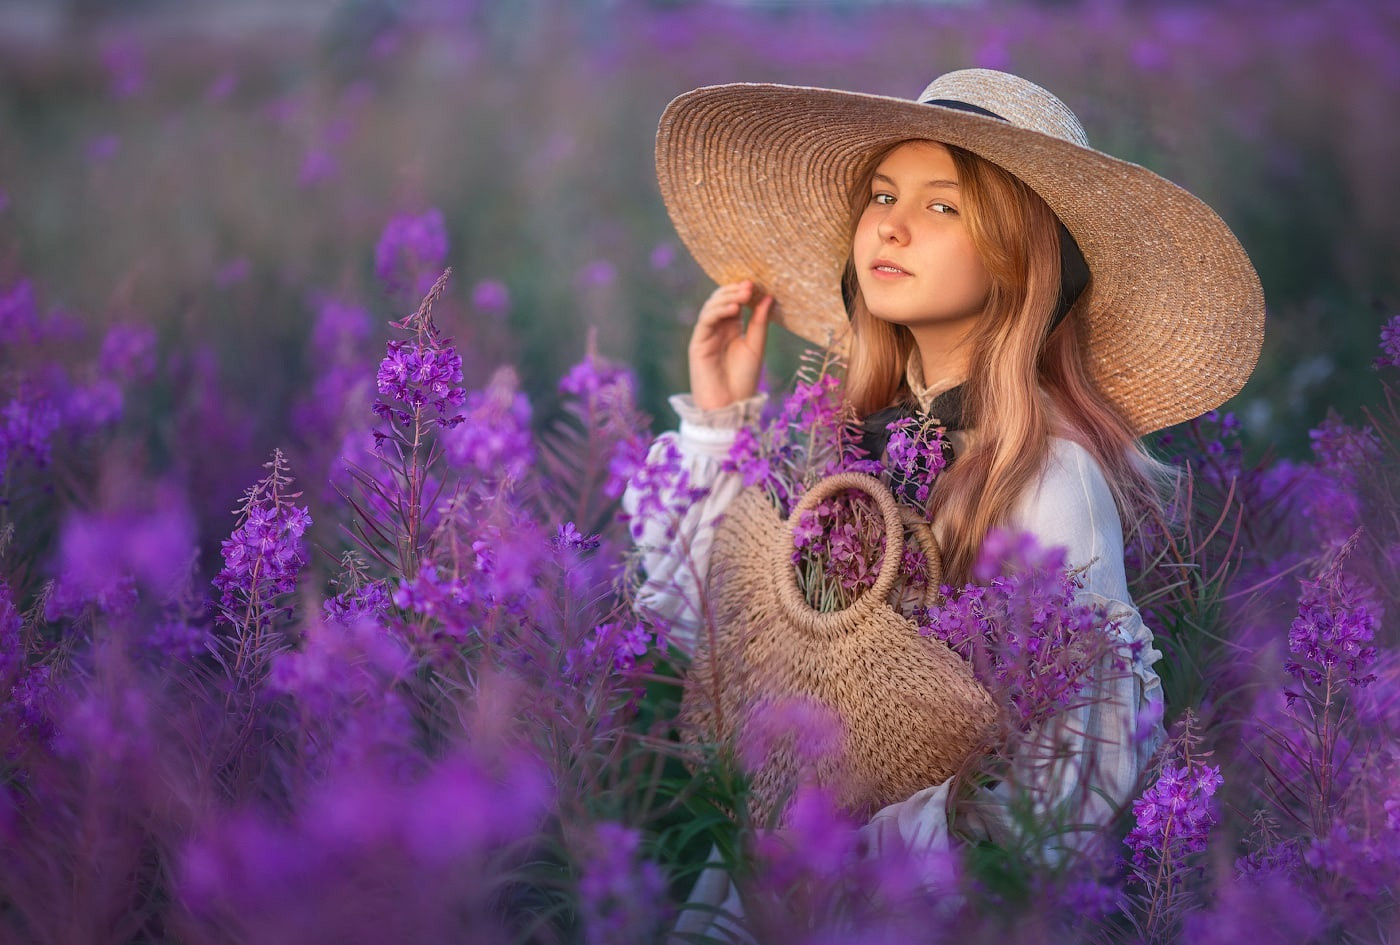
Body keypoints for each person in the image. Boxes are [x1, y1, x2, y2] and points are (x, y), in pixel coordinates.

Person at [624, 69, 1264, 935]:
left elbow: (1082, 756)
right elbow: (714, 642)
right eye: (882, 194)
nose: (889, 221)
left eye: (942, 206)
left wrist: (869, 870)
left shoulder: (1047, 473)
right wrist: (717, 421)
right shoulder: (844, 443)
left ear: (1021, 257)